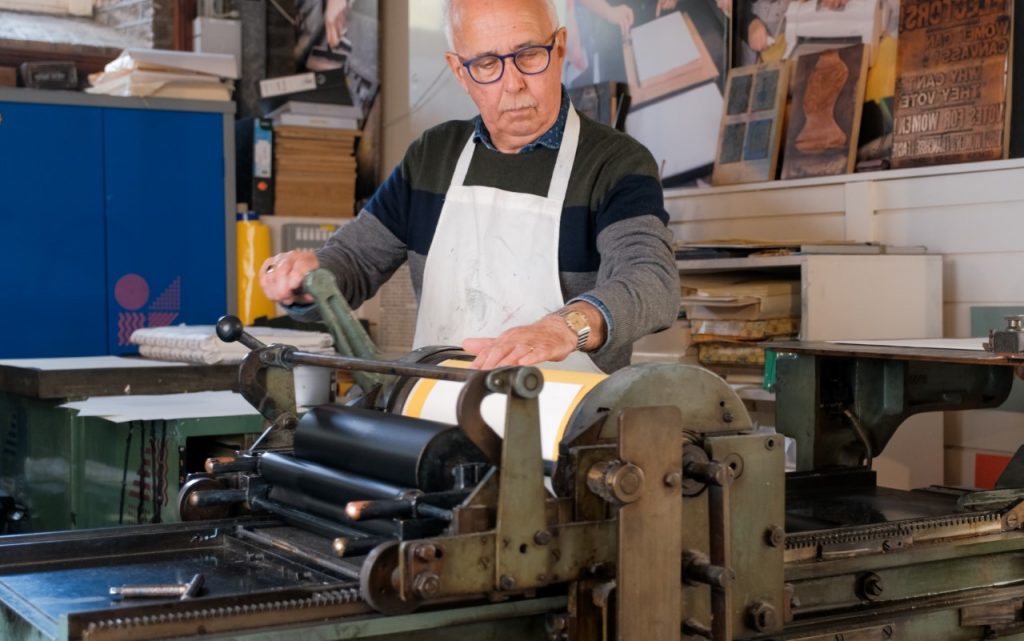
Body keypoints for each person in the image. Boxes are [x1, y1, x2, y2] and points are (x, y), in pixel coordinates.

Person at [260, 0, 679, 374]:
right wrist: (307, 278)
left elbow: (652, 281)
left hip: (565, 429)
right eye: (487, 64)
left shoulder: (616, 164)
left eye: (529, 54)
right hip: (436, 418)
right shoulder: (432, 157)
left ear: (561, 47)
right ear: (460, 71)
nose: (513, 83)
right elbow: (353, 259)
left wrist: (565, 326)